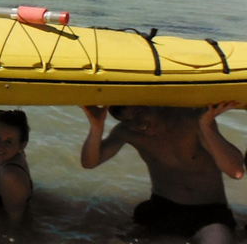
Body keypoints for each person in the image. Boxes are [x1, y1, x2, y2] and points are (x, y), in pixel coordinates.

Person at [80, 103, 244, 243]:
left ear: (154, 103)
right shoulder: (127, 131)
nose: (139, 125)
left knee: (218, 239)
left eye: (140, 114)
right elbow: (89, 162)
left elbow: (236, 171)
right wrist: (97, 126)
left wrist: (207, 127)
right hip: (162, 208)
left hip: (209, 213)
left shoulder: (194, 122)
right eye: (128, 120)